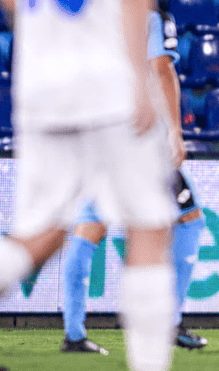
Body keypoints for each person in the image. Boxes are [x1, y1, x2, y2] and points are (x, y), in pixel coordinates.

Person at [0, 0, 178, 370]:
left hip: (39, 90)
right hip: (110, 84)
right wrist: (139, 81)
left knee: (40, 234)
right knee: (148, 226)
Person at [59, 10, 207, 355]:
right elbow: (160, 67)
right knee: (188, 220)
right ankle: (166, 322)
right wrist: (174, 130)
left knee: (89, 227)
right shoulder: (148, 15)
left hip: (93, 129)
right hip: (135, 136)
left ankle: (74, 333)